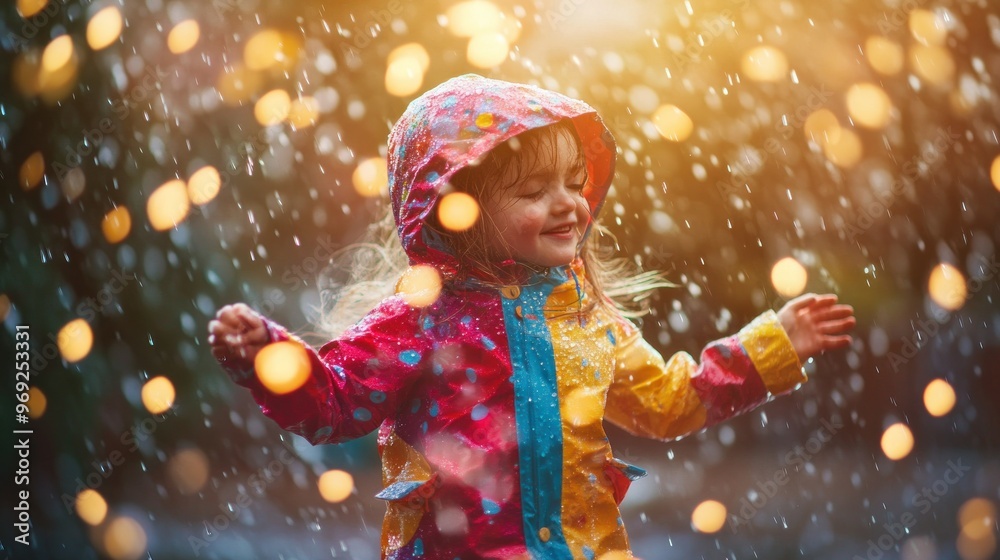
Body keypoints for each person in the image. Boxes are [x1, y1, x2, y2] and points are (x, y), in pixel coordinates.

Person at [208, 74, 856, 559]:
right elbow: (337, 402)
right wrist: (269, 358)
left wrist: (775, 345)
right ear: (455, 209)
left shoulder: (587, 321)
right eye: (532, 192)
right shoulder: (420, 322)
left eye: (574, 181)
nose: (568, 204)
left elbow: (670, 402)